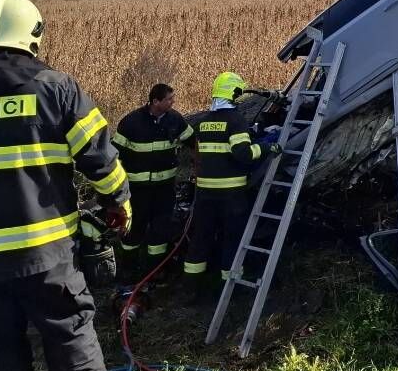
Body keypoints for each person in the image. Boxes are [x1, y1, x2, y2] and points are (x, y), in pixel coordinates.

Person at [0, 0, 131, 371]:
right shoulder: (57, 90)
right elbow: (102, 161)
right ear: (34, 34)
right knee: (71, 342)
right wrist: (119, 203)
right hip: (46, 257)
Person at [182, 72, 277, 293]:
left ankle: (190, 287)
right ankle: (230, 286)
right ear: (234, 93)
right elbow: (242, 154)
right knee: (233, 238)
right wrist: (266, 148)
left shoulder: (204, 122)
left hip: (205, 191)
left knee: (201, 237)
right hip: (231, 193)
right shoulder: (235, 120)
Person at [113, 83, 193, 279]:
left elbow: (193, 141)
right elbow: (113, 156)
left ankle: (155, 270)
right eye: (169, 99)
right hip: (137, 190)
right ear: (155, 101)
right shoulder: (131, 123)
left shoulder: (175, 119)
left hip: (165, 188)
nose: (173, 102)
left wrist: (199, 163)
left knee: (161, 228)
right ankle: (129, 269)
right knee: (134, 228)